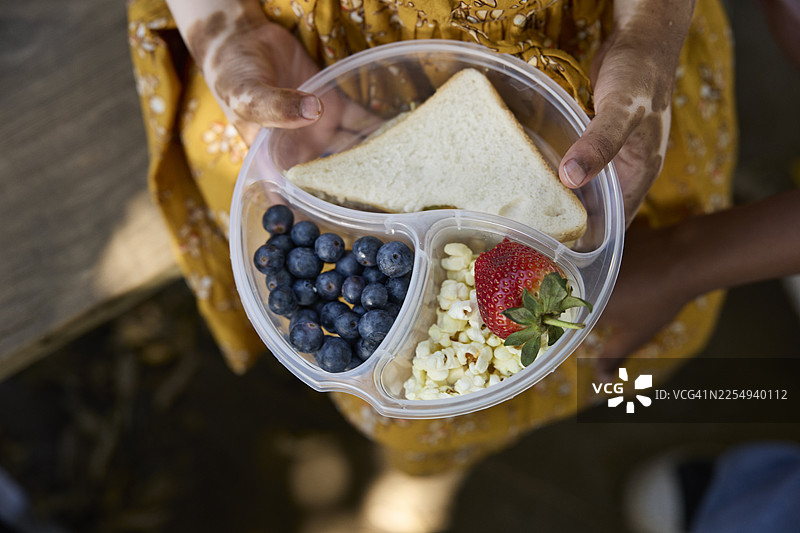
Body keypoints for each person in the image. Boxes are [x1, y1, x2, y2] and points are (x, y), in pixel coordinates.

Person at [127, 0, 736, 482]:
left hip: (605, 54)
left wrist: (651, 30)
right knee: (415, 404)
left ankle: (463, 450)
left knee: (601, 339)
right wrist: (225, 30)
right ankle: (436, 457)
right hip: (304, 54)